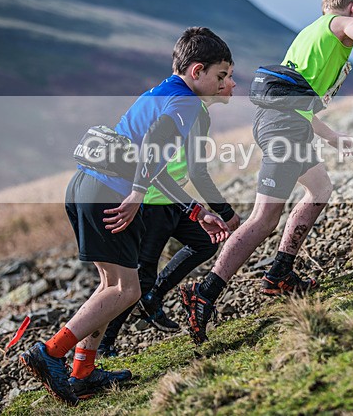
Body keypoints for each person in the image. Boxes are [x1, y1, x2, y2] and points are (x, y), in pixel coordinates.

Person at [19, 27, 232, 405]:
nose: (225, 84)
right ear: (197, 71)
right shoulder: (186, 103)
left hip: (85, 187)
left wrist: (195, 211)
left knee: (111, 287)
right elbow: (152, 148)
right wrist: (136, 191)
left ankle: (82, 374)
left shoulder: (162, 92)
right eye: (221, 76)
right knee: (126, 290)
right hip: (109, 193)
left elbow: (157, 169)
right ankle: (50, 353)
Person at [179, 0, 353, 344]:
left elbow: (297, 104)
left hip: (286, 123)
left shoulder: (311, 36)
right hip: (282, 127)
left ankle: (280, 273)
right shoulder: (340, 24)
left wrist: (334, 138)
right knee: (264, 217)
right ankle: (205, 292)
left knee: (320, 188)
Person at [97, 65, 241, 357]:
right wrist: (225, 212)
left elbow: (195, 170)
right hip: (152, 200)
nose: (233, 84)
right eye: (225, 77)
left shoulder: (199, 113)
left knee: (202, 243)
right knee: (138, 276)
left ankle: (153, 297)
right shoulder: (187, 107)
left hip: (173, 198)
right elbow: (196, 172)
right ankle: (104, 343)